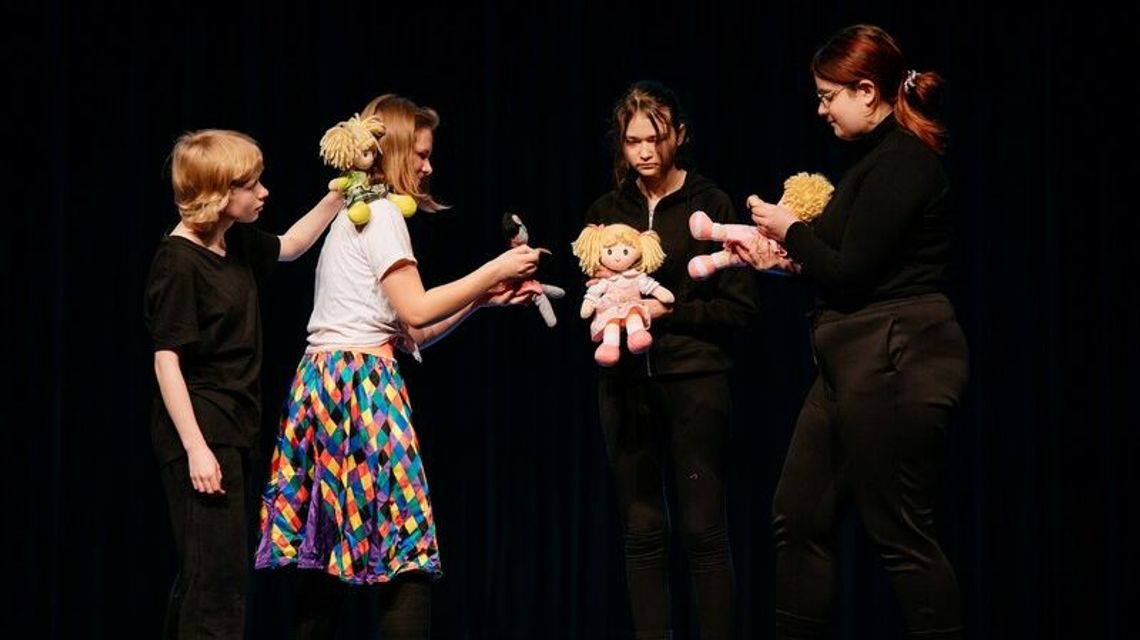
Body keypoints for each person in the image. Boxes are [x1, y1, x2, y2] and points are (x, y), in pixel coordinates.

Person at [254, 93, 542, 639]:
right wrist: (494, 268)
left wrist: (478, 301)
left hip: (324, 380)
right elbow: (415, 308)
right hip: (361, 386)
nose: (429, 167)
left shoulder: (358, 212)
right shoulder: (382, 213)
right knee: (406, 549)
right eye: (422, 154)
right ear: (393, 153)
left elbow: (412, 331)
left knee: (328, 553)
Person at [741, 24, 969, 640]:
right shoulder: (874, 162)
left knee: (900, 532)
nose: (821, 110)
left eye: (827, 95)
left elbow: (851, 270)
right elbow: (842, 268)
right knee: (797, 514)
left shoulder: (904, 162)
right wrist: (784, 262)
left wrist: (790, 227)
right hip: (851, 358)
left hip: (898, 355)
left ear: (867, 91)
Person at [143, 129, 345, 638]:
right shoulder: (178, 261)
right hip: (202, 430)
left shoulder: (233, 245)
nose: (263, 193)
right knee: (215, 585)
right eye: (251, 185)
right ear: (218, 193)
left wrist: (342, 193)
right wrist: (196, 448)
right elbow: (167, 362)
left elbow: (294, 245)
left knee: (209, 576)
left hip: (234, 431)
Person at [584, 80, 757, 640]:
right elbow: (594, 300)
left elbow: (738, 310)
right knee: (642, 534)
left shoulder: (711, 204)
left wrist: (668, 313)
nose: (645, 152)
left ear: (678, 135)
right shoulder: (607, 211)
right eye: (634, 140)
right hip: (626, 387)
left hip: (696, 383)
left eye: (656, 138)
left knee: (704, 533)